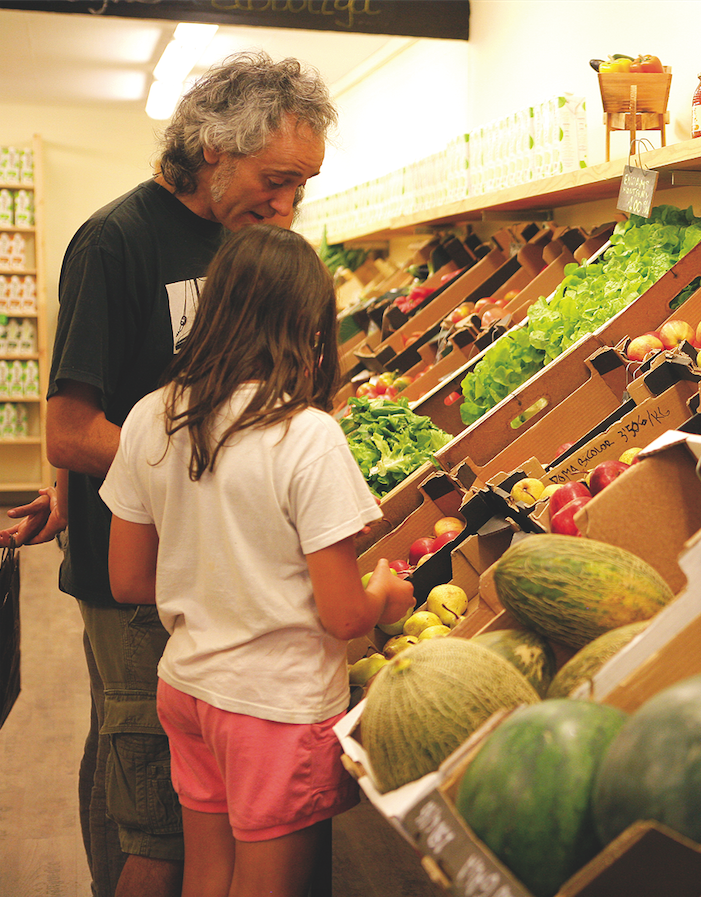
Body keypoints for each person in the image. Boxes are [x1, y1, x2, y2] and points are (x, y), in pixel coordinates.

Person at [0, 51, 338, 897]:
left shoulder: (239, 240)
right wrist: (220, 473)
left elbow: (154, 395)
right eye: (278, 178)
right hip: (137, 582)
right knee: (153, 817)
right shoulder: (115, 241)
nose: (289, 205)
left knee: (145, 778)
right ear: (217, 149)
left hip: (188, 573)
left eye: (303, 186)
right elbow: (72, 427)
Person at [98, 223, 413, 897]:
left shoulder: (151, 417)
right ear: (308, 325)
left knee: (208, 876)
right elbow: (343, 615)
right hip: (276, 705)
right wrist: (386, 594)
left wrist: (220, 578)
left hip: (186, 687)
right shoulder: (306, 435)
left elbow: (126, 578)